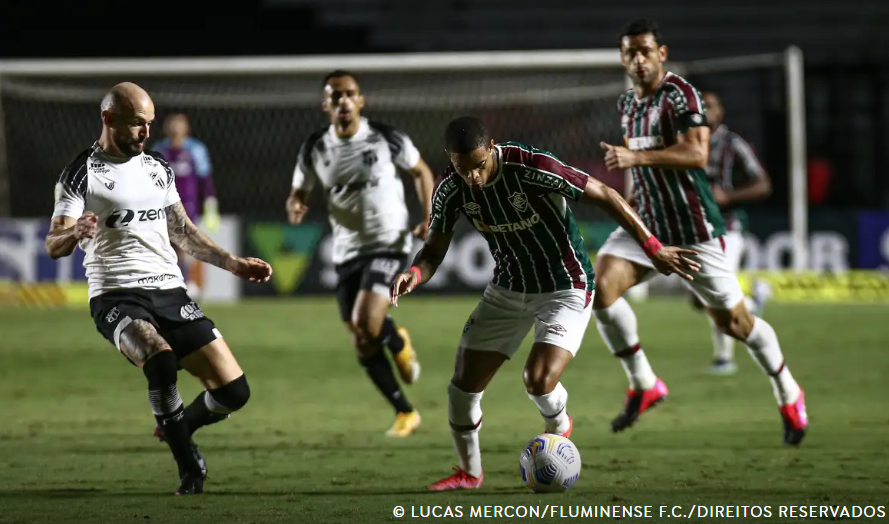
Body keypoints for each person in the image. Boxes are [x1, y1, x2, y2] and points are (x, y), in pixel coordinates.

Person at [389, 116, 698, 491]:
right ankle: (469, 473)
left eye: (478, 165)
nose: (472, 177)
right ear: (449, 158)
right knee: (461, 390)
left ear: (491, 148)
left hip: (565, 286)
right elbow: (434, 250)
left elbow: (605, 194)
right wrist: (415, 273)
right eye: (462, 167)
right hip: (507, 289)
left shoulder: (532, 166)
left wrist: (654, 248)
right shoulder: (450, 188)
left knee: (537, 381)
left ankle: (559, 426)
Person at [45, 82, 273, 495]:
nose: (146, 132)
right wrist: (73, 232)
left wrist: (232, 263)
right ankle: (189, 467)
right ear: (108, 119)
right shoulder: (81, 173)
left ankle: (177, 427)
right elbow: (53, 243)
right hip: (116, 294)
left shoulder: (157, 167)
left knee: (234, 392)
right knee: (160, 360)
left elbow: (182, 231)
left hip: (170, 291)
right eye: (137, 123)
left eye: (149, 123)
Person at [595, 19, 808, 445]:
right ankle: (644, 383)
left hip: (693, 228)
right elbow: (644, 166)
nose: (638, 59)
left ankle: (788, 391)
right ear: (622, 58)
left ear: (661, 53)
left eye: (645, 50)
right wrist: (633, 198)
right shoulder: (627, 104)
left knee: (735, 323)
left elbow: (696, 153)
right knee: (599, 288)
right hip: (649, 221)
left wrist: (635, 160)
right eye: (630, 52)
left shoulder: (681, 94)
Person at [285, 70, 436, 437]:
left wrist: (428, 216)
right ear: (325, 104)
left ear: (361, 100)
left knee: (367, 322)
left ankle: (396, 340)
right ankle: (405, 412)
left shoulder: (386, 137)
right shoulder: (315, 147)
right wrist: (295, 205)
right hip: (346, 251)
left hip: (390, 242)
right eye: (335, 95)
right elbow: (298, 192)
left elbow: (421, 172)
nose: (344, 100)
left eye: (350, 93)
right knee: (362, 340)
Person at [693, 91, 774, 374]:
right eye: (700, 106)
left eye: (711, 106)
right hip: (694, 230)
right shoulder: (685, 142)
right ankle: (753, 302)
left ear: (721, 112)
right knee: (699, 298)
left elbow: (763, 184)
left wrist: (728, 196)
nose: (705, 111)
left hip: (727, 228)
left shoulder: (732, 144)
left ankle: (724, 359)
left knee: (717, 293)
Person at [151, 113, 220, 300]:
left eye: (179, 124)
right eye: (172, 123)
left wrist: (210, 202)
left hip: (187, 204)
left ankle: (189, 281)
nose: (175, 127)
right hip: (161, 205)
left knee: (185, 243)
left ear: (186, 128)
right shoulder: (159, 149)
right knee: (165, 244)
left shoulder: (195, 149)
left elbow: (205, 178)